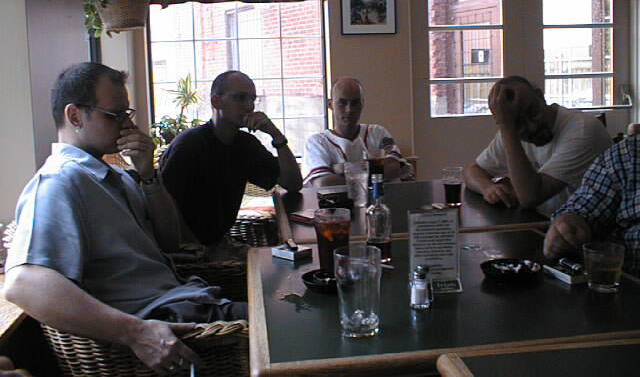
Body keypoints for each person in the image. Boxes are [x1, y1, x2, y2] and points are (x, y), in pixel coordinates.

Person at [4, 63, 246, 375]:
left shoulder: (114, 177)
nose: (128, 124)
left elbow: (171, 241)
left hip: (188, 299)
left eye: (126, 113)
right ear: (75, 116)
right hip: (167, 320)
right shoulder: (60, 182)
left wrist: (148, 174)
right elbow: (22, 284)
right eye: (114, 115)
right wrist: (136, 333)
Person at [160, 70, 302, 246]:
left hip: (219, 242)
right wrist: (203, 251)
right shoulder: (189, 145)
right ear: (216, 101)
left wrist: (277, 136)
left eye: (253, 99)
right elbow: (164, 209)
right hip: (186, 249)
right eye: (240, 98)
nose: (250, 106)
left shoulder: (245, 144)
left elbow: (293, 184)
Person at [463, 76, 612, 217]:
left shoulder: (582, 130)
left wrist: (508, 128)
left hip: (585, 230)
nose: (532, 126)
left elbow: (530, 197)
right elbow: (473, 171)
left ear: (540, 96)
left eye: (533, 112)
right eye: (518, 124)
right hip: (548, 223)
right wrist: (487, 188)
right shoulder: (510, 131)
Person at [543, 134, 640, 276]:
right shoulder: (628, 153)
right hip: (625, 283)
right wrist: (569, 223)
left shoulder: (583, 131)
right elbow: (584, 208)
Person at [302, 77, 411, 187]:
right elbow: (323, 183)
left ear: (362, 104)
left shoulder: (378, 133)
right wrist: (376, 171)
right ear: (330, 105)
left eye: (355, 103)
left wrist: (343, 168)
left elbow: (394, 168)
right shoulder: (317, 143)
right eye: (342, 103)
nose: (349, 110)